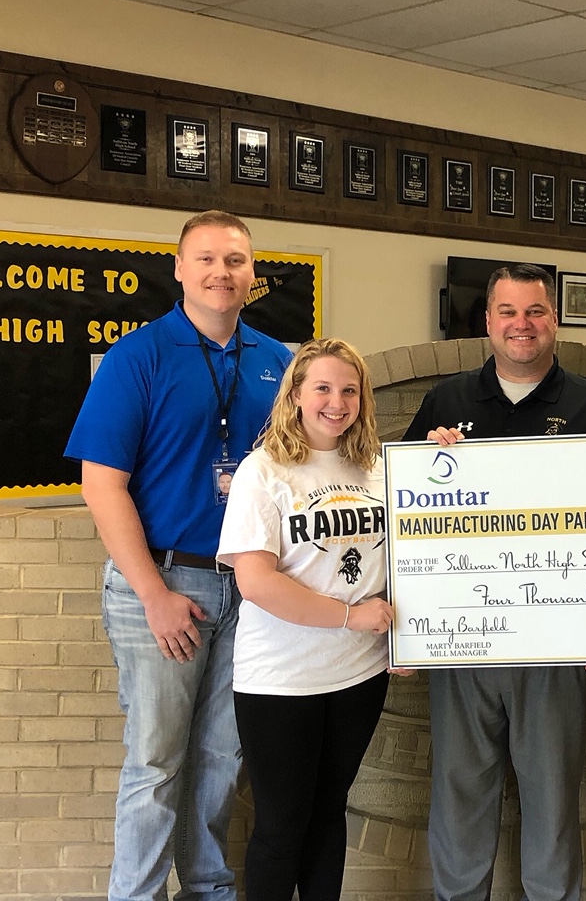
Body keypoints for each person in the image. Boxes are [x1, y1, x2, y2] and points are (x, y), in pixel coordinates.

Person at [65, 210, 293, 901]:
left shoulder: (278, 362)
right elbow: (101, 485)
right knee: (157, 763)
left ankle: (208, 890)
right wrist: (153, 596)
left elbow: (317, 469)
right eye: (206, 259)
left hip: (249, 592)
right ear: (179, 269)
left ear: (252, 272)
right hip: (163, 584)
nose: (221, 272)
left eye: (235, 260)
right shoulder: (140, 355)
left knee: (224, 758)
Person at [404, 264, 586, 901]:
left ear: (553, 319)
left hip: (557, 645)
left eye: (534, 312)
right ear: (488, 321)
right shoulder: (444, 403)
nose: (521, 325)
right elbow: (402, 517)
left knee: (554, 799)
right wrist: (431, 462)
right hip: (463, 641)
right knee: (459, 794)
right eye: (508, 312)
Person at [216, 337, 393, 901]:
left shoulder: (379, 468)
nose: (336, 402)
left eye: (349, 389)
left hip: (359, 674)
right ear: (294, 396)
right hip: (281, 679)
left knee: (328, 814)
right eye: (322, 388)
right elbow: (257, 582)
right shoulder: (262, 470)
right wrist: (350, 617)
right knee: (281, 825)